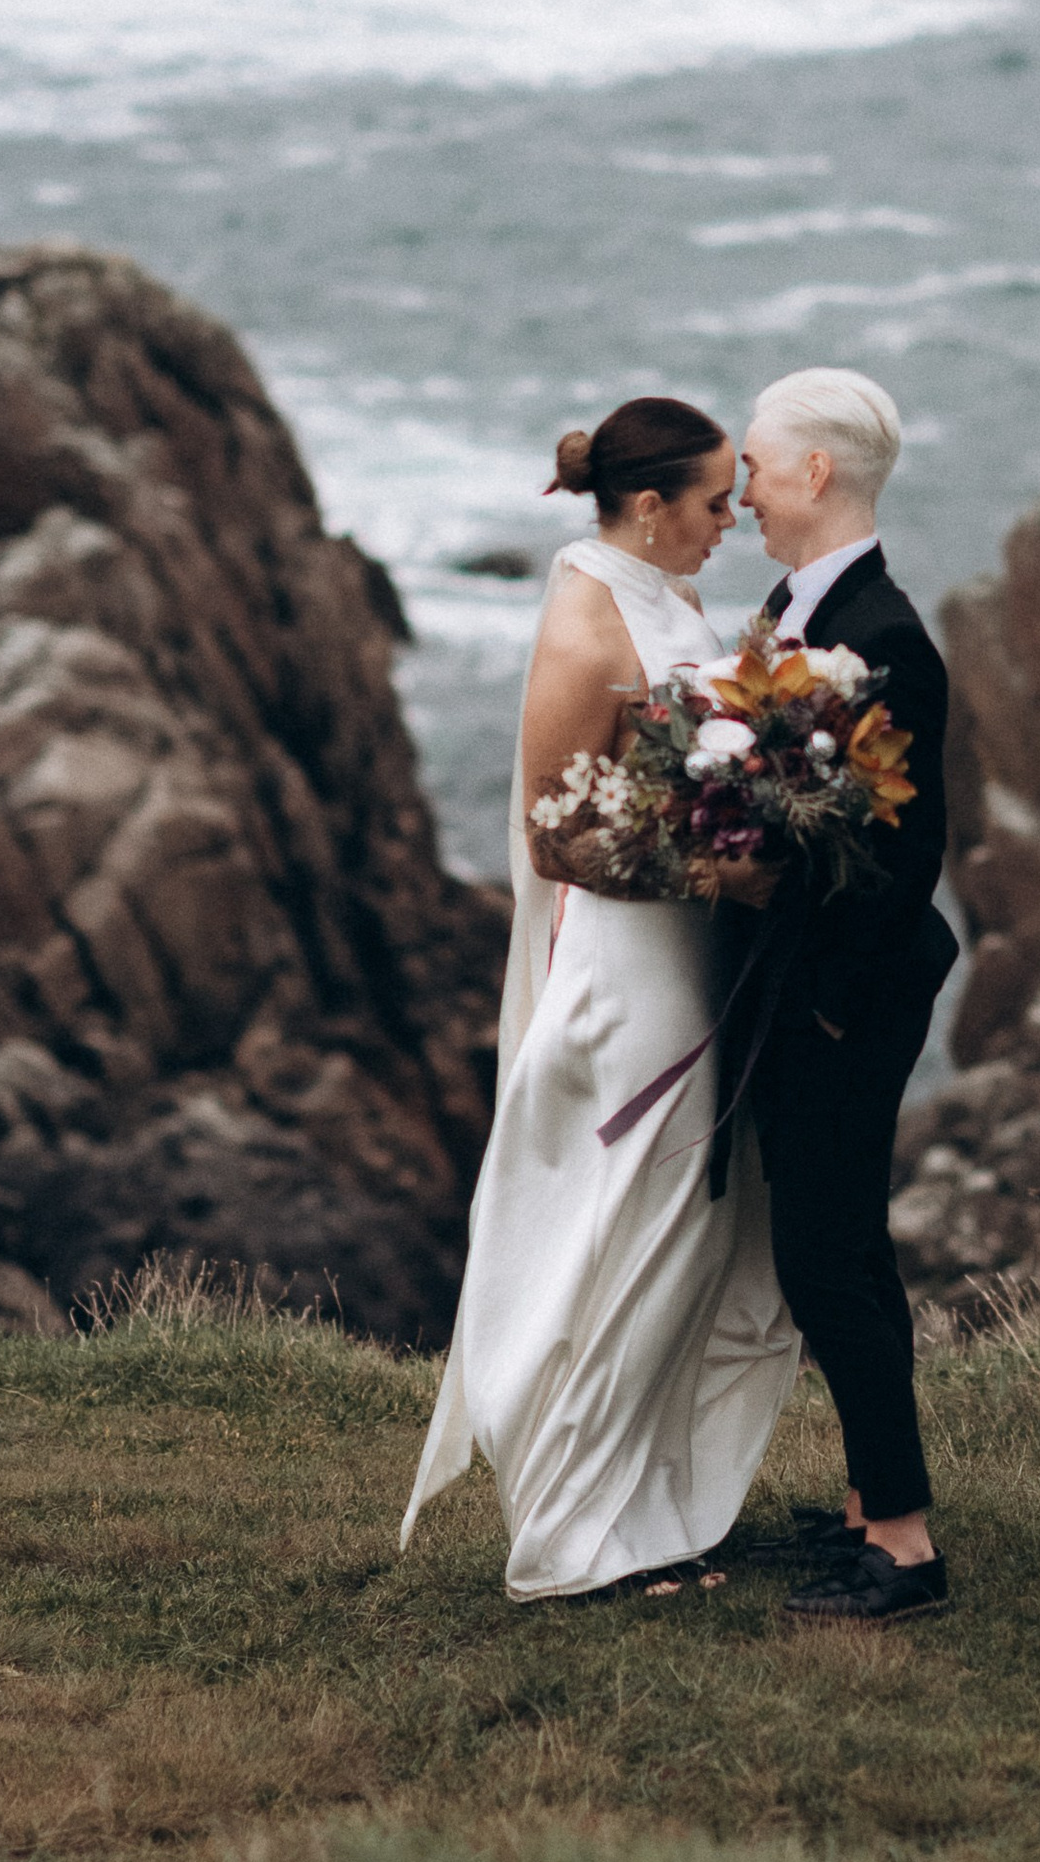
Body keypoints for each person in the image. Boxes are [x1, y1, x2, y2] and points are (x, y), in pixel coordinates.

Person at [398, 398, 798, 1597]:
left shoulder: (656, 591)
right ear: (647, 507)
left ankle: (644, 1509)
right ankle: (570, 1544)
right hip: (634, 972)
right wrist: (730, 867)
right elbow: (555, 834)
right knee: (631, 1233)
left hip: (683, 955)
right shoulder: (585, 622)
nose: (735, 520)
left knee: (680, 1238)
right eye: (717, 503)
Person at [738, 366, 960, 1625]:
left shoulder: (882, 639)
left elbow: (904, 854)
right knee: (845, 1254)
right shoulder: (794, 607)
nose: (746, 494)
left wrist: (823, 1001)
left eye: (760, 469)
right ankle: (874, 1509)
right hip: (820, 985)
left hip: (848, 995)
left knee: (826, 1263)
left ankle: (909, 1552)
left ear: (815, 474)